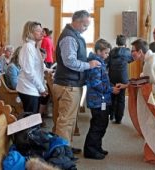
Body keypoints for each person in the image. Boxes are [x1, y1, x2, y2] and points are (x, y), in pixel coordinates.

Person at [52, 10, 101, 153]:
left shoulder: (74, 36)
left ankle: (65, 146)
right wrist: (88, 65)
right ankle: (62, 152)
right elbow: (69, 61)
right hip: (68, 85)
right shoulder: (69, 37)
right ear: (77, 21)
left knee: (69, 120)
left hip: (71, 83)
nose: (86, 29)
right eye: (85, 25)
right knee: (65, 121)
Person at [83, 39, 120, 160]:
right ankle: (90, 150)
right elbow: (96, 83)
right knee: (98, 125)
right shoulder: (96, 64)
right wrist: (110, 89)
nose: (107, 55)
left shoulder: (100, 62)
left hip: (102, 100)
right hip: (97, 100)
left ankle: (97, 146)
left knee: (102, 124)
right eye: (106, 53)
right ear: (98, 51)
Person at [16, 21, 48, 113]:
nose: (42, 33)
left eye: (42, 31)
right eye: (38, 31)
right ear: (30, 32)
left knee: (34, 119)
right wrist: (41, 88)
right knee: (31, 120)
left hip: (33, 88)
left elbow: (38, 68)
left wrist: (42, 86)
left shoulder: (35, 47)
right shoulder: (28, 47)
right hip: (28, 88)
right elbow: (29, 71)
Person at [106, 34, 134, 123]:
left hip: (112, 76)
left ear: (116, 42)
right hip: (122, 77)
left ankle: (111, 115)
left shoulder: (111, 51)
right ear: (125, 43)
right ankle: (119, 119)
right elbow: (131, 60)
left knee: (112, 95)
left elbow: (107, 62)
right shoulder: (127, 51)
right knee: (121, 98)